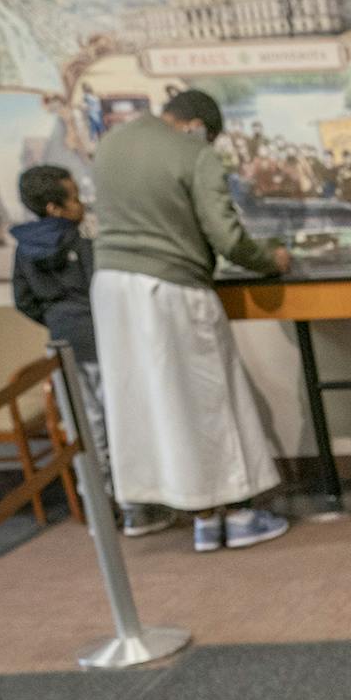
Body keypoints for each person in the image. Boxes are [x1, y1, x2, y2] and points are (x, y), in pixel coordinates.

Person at [89, 88, 292, 552]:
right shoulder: (193, 152)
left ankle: (200, 517)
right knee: (208, 399)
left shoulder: (112, 144)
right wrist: (271, 260)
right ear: (198, 124)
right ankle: (239, 514)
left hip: (113, 288)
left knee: (153, 405)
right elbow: (226, 235)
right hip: (171, 287)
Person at [11, 165, 175, 538]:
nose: (81, 203)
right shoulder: (80, 241)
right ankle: (134, 507)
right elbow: (101, 288)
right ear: (55, 207)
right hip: (100, 341)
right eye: (73, 197)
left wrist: (56, 319)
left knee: (83, 429)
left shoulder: (23, 248)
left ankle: (98, 510)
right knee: (120, 422)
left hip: (61, 345)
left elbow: (23, 300)